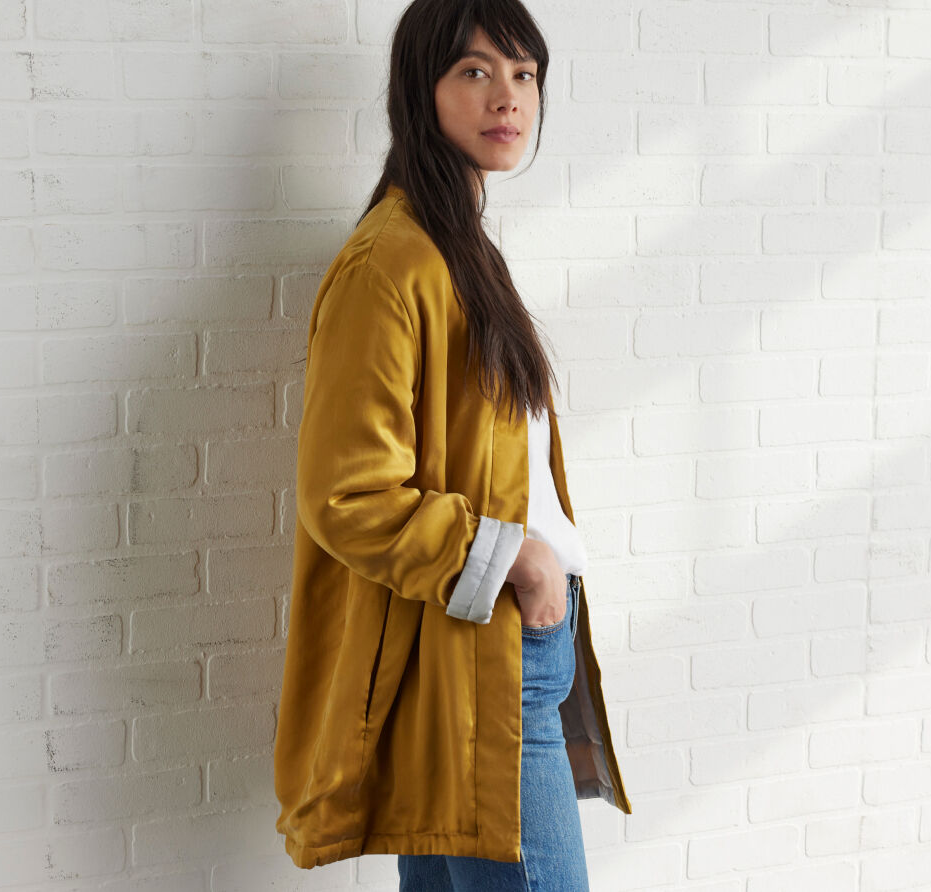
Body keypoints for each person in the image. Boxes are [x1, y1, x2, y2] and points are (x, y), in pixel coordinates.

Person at [273, 0, 631, 888]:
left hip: (480, 648)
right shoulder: (393, 263)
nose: (507, 97)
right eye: (474, 72)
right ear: (419, 91)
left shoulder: (457, 249)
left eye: (524, 75)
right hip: (480, 653)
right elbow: (345, 492)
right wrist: (522, 565)